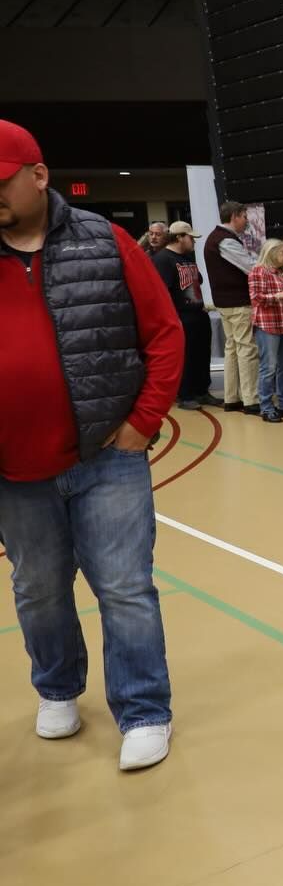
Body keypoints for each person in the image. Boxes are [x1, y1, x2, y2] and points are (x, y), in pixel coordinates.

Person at [0, 119, 181, 770]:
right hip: (16, 473)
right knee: (38, 590)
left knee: (125, 586)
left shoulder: (106, 242)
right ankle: (57, 688)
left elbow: (163, 334)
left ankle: (143, 709)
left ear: (38, 175)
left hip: (106, 459)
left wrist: (143, 421)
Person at [150, 220, 220, 410]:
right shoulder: (163, 259)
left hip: (198, 312)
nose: (194, 242)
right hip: (181, 316)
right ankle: (186, 394)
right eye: (191, 238)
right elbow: (161, 292)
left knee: (202, 354)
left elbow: (198, 280)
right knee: (186, 356)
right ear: (179, 237)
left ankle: (202, 390)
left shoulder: (188, 257)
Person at [204, 201, 261, 415]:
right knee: (246, 349)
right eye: (244, 216)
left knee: (233, 349)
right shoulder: (225, 240)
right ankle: (251, 399)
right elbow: (251, 267)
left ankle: (232, 397)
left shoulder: (214, 237)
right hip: (237, 303)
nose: (246, 220)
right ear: (234, 216)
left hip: (225, 303)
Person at [248, 238, 283, 423]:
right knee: (269, 368)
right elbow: (257, 298)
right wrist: (282, 295)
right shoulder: (258, 272)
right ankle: (266, 407)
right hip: (268, 325)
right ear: (272, 253)